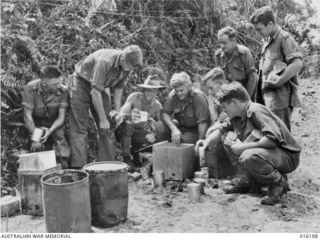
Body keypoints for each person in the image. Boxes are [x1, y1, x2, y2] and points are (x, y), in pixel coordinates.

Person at [196, 82, 301, 205]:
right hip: (271, 155)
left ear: (234, 102)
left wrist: (242, 147)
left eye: (225, 107)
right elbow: (220, 131)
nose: (224, 110)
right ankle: (249, 181)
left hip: (287, 156)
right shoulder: (237, 116)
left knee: (248, 155)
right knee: (228, 138)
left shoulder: (255, 110)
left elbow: (272, 139)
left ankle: (278, 184)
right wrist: (206, 142)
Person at [68, 45, 143, 168]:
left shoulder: (128, 66)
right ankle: (79, 168)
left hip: (100, 87)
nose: (130, 70)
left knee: (109, 126)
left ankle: (107, 166)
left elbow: (118, 88)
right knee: (79, 127)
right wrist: (102, 119)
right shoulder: (105, 61)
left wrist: (117, 112)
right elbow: (94, 92)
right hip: (81, 84)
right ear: (123, 59)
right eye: (129, 67)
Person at [250, 6, 302, 131]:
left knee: (282, 133)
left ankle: (289, 152)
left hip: (280, 98)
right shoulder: (268, 40)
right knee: (272, 132)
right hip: (267, 96)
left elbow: (297, 64)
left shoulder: (284, 38)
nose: (258, 33)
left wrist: (278, 82)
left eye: (260, 29)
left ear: (270, 24)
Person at [21, 65, 70, 168]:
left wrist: (50, 131)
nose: (59, 86)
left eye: (60, 82)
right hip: (36, 123)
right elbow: (27, 116)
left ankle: (63, 165)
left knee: (60, 141)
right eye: (55, 84)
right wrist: (36, 137)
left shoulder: (64, 91)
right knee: (34, 147)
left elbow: (61, 117)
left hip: (55, 123)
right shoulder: (29, 89)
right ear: (44, 84)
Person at [116, 75, 166, 166]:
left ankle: (136, 154)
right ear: (143, 90)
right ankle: (126, 157)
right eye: (147, 89)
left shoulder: (157, 105)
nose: (149, 93)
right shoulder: (134, 97)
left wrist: (152, 127)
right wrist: (131, 113)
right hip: (124, 131)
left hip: (139, 132)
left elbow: (160, 126)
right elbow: (122, 113)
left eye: (152, 90)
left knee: (155, 137)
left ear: (156, 92)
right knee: (128, 125)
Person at [160, 72, 211, 145]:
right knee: (160, 127)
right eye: (176, 91)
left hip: (196, 130)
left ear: (189, 86)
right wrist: (173, 129)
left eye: (181, 90)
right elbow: (165, 113)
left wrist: (200, 143)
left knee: (184, 142)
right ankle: (165, 150)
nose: (179, 93)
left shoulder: (198, 97)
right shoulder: (173, 94)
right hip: (181, 126)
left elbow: (203, 123)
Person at [215, 26, 258, 101]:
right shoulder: (218, 55)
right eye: (220, 43)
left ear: (233, 41)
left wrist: (247, 98)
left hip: (245, 90)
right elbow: (219, 78)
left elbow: (252, 77)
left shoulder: (244, 53)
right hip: (228, 92)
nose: (221, 46)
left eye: (224, 43)